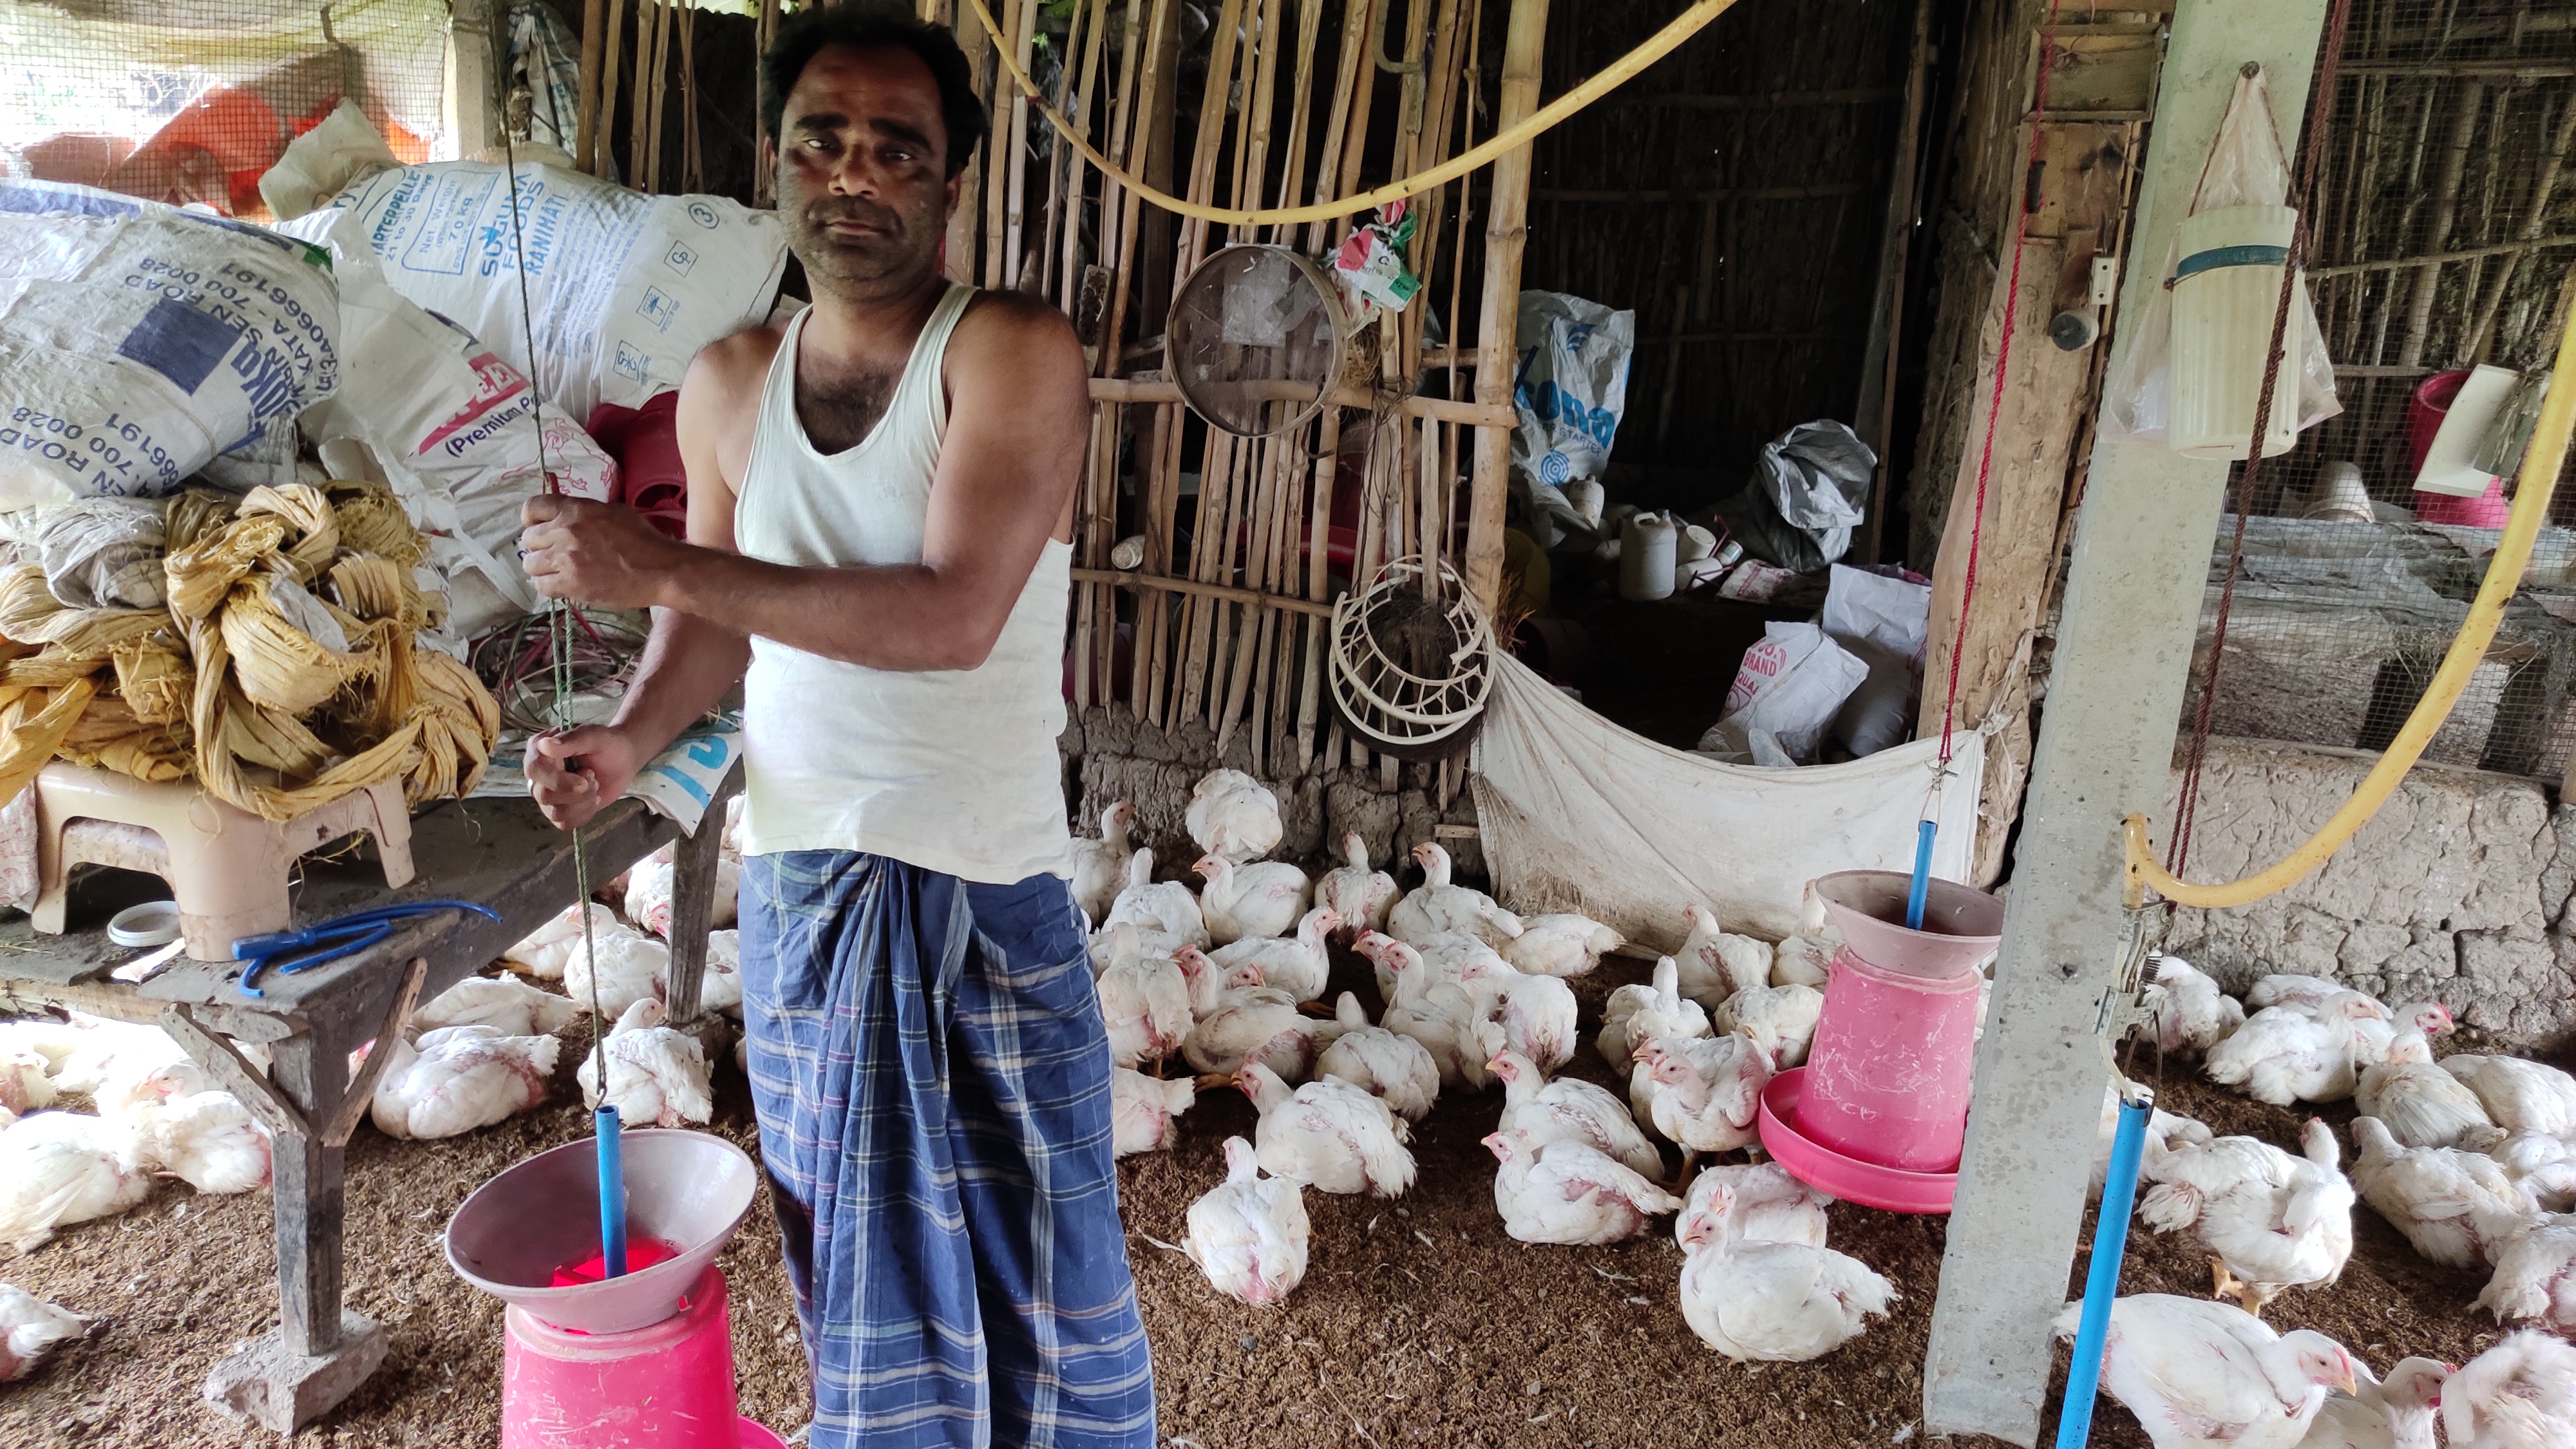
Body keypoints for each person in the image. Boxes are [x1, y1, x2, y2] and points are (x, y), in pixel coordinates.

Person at [515, 6, 1154, 1445]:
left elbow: (951, 619)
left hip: (984, 887)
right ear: (776, 160)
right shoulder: (733, 378)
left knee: (1044, 1276)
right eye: (823, 138)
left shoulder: (1005, 349)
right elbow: (720, 631)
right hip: (810, 889)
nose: (853, 173)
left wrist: (655, 559)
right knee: (854, 1265)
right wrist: (625, 737)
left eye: (896, 147)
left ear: (946, 184)